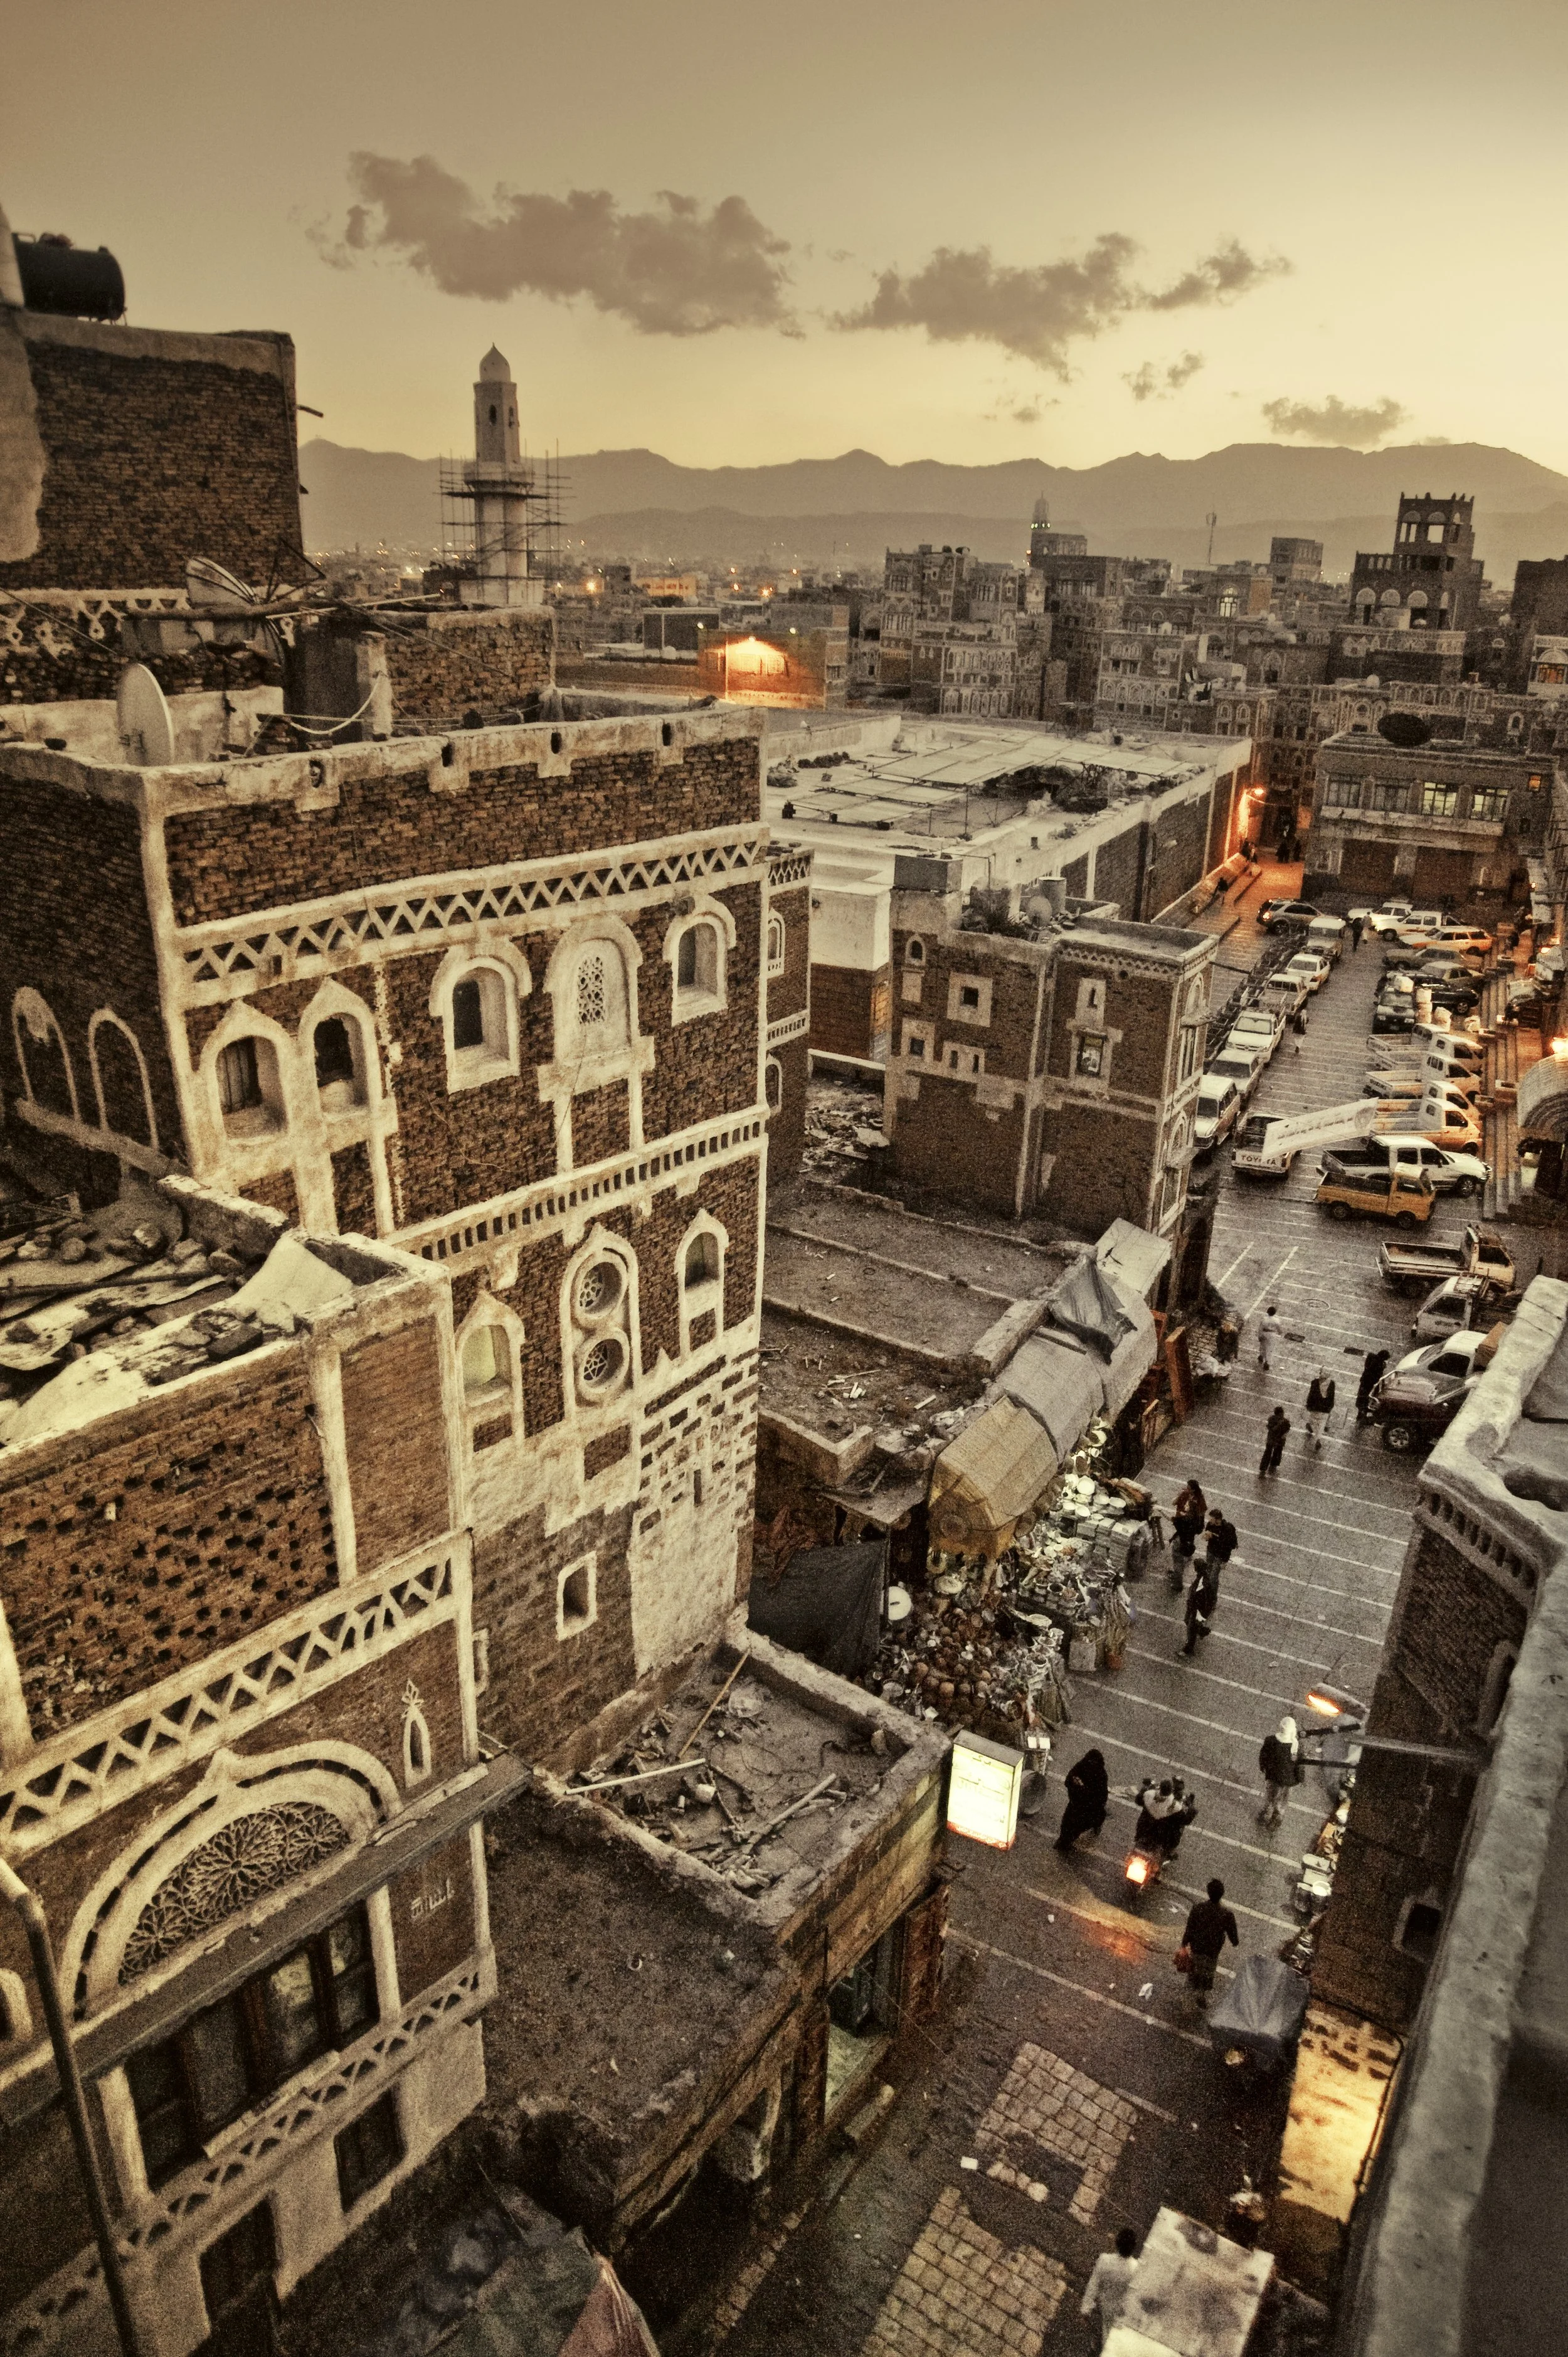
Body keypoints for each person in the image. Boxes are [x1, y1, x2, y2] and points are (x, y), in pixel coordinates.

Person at [1181, 1878, 1239, 2004]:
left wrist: (1184, 1944)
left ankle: (1189, 1996)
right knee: (1208, 1972)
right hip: (1212, 1951)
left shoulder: (1198, 1908)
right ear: (1222, 1894)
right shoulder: (1227, 1915)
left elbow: (1190, 1928)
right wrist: (1235, 1942)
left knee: (1194, 1970)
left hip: (1197, 1947)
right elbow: (1234, 1937)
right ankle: (1201, 1994)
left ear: (1208, 1892)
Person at [1080, 2227, 1140, 2347]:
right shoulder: (1136, 2269)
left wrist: (1086, 2309)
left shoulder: (1105, 2260)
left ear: (1117, 2243)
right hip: (1123, 2314)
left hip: (1105, 2309)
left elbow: (1093, 2286)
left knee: (1105, 2340)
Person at [1056, 1747, 1110, 1853]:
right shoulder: (1095, 1771)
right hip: (1080, 1805)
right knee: (1073, 1824)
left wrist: (1080, 1789)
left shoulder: (1087, 1768)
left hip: (1083, 1806)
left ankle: (1065, 1841)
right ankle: (1065, 1841)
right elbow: (1069, 1779)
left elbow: (1099, 1797)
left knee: (1072, 1824)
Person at [1258, 1716, 1303, 1829]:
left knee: (1270, 1796)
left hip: (1272, 1776)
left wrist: (1263, 1766)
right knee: (1282, 1801)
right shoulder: (1296, 1746)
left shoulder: (1271, 1740)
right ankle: (1276, 1820)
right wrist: (1300, 1778)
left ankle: (1265, 1815)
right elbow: (1299, 1765)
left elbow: (1264, 1755)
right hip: (1288, 1780)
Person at [1182, 1563, 1219, 1656]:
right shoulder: (1203, 1579)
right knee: (1189, 1622)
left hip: (1196, 1609)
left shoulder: (1202, 1582)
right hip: (1195, 1608)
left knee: (1191, 1627)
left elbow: (1198, 1597)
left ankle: (1188, 1649)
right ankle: (1200, 1631)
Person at [1170, 1480, 1206, 1576]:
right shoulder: (1185, 1494)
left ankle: (1186, 1553)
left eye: (1189, 1488)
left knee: (1186, 1539)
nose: (1187, 1489)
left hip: (1189, 1525)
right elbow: (1174, 1503)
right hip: (1183, 1522)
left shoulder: (1199, 1500)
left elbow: (1201, 1514)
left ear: (1194, 1490)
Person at [1304, 1369, 1336, 1449]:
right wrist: (1330, 1407)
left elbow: (1311, 1394)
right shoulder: (1332, 1384)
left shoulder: (1314, 1382)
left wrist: (1308, 1405)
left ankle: (1311, 1428)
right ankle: (1318, 1439)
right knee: (1321, 1424)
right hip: (1325, 1409)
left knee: (1313, 1420)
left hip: (1315, 1407)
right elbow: (1332, 1397)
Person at [1355, 1349, 1390, 1422]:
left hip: (1364, 1381)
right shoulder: (1379, 1364)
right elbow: (1378, 1375)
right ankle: (1362, 1415)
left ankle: (1361, 1414)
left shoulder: (1371, 1357)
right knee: (1366, 1399)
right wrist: (1383, 1367)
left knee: (1362, 1397)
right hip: (1370, 1384)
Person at [1204, 1509, 1239, 1574]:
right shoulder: (1210, 1525)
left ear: (1217, 1519)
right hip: (1211, 1551)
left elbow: (1230, 1545)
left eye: (1212, 1519)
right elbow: (1206, 1539)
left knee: (1214, 1576)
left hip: (1221, 1555)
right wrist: (1207, 1537)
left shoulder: (1228, 1528)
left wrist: (1225, 1561)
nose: (1209, 1520)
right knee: (1208, 1571)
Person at [1259, 1405, 1290, 1476]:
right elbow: (1272, 1429)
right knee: (1268, 1452)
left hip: (1279, 1439)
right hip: (1272, 1438)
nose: (1282, 1416)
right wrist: (1278, 1425)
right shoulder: (1272, 1420)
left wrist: (1284, 1435)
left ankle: (1274, 1464)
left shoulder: (1285, 1421)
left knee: (1278, 1451)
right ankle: (1264, 1468)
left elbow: (1288, 1429)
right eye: (1281, 1414)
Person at [1257, 1305, 1279, 1370]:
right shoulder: (1276, 1320)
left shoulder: (1264, 1319)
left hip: (1264, 1333)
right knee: (1270, 1348)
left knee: (1263, 1346)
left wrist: (1259, 1336)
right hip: (1272, 1335)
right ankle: (1267, 1362)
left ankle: (1261, 1356)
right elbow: (1279, 1329)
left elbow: (1260, 1328)